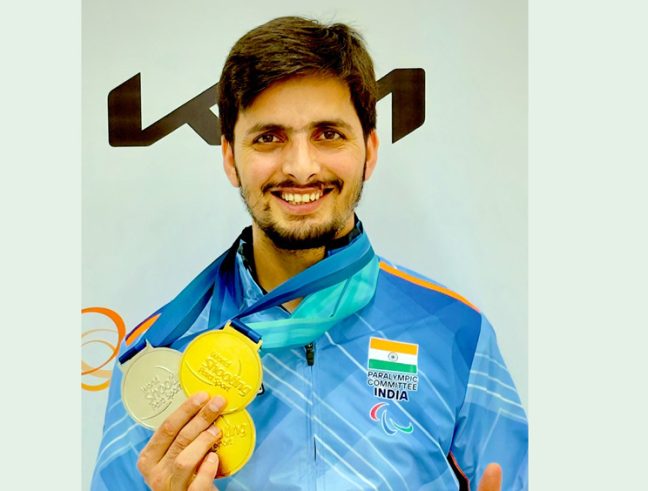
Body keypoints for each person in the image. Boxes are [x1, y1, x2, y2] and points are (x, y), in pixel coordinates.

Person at [91, 16, 528, 491]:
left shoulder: (454, 331)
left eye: (328, 134)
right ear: (230, 158)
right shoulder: (157, 360)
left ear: (370, 150)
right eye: (269, 137)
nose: (301, 168)